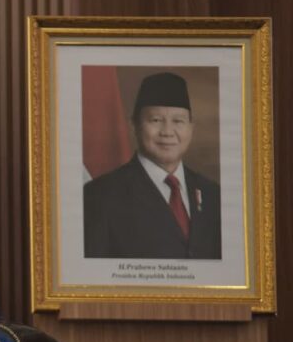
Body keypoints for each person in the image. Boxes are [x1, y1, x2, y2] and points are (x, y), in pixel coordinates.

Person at [84, 71, 222, 259]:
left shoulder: (213, 195)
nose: (167, 132)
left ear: (191, 128)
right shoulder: (98, 196)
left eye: (178, 121)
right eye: (155, 120)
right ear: (134, 125)